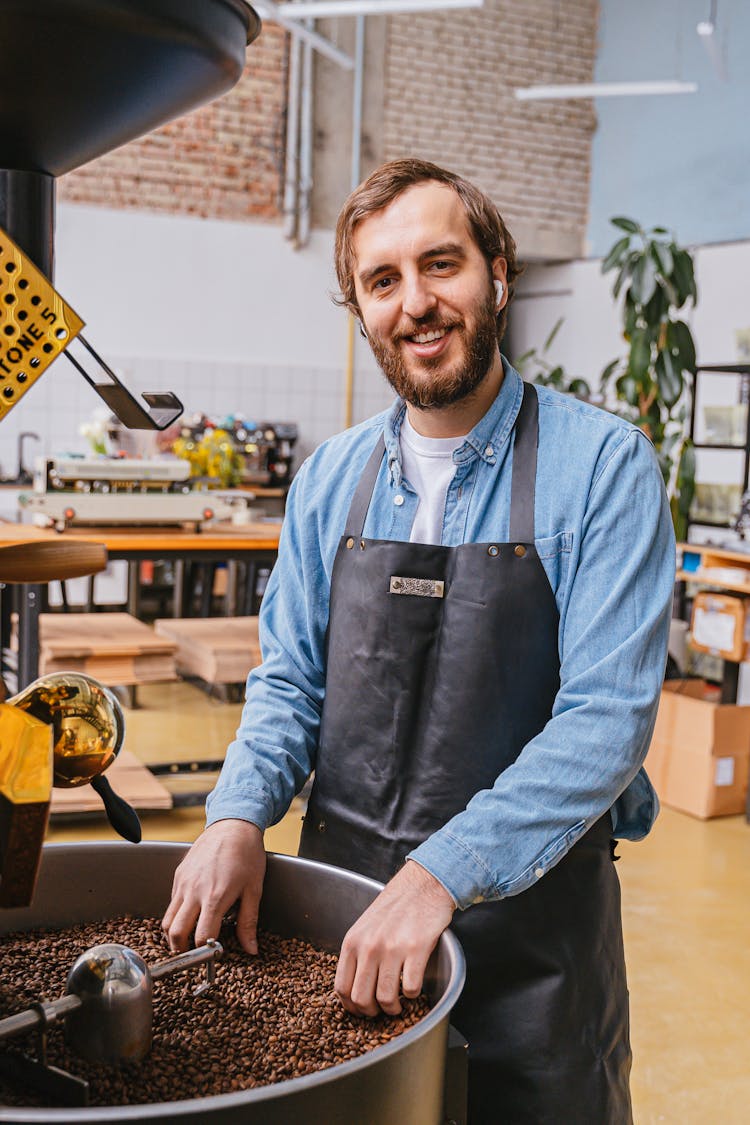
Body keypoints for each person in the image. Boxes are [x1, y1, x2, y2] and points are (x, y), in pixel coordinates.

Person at [163, 158, 675, 1123]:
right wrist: (236, 815)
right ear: (359, 309)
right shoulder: (329, 481)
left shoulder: (603, 468)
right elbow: (289, 682)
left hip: (538, 961)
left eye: (441, 265)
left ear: (498, 274)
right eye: (383, 280)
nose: (417, 303)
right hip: (348, 935)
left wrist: (438, 874)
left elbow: (606, 722)